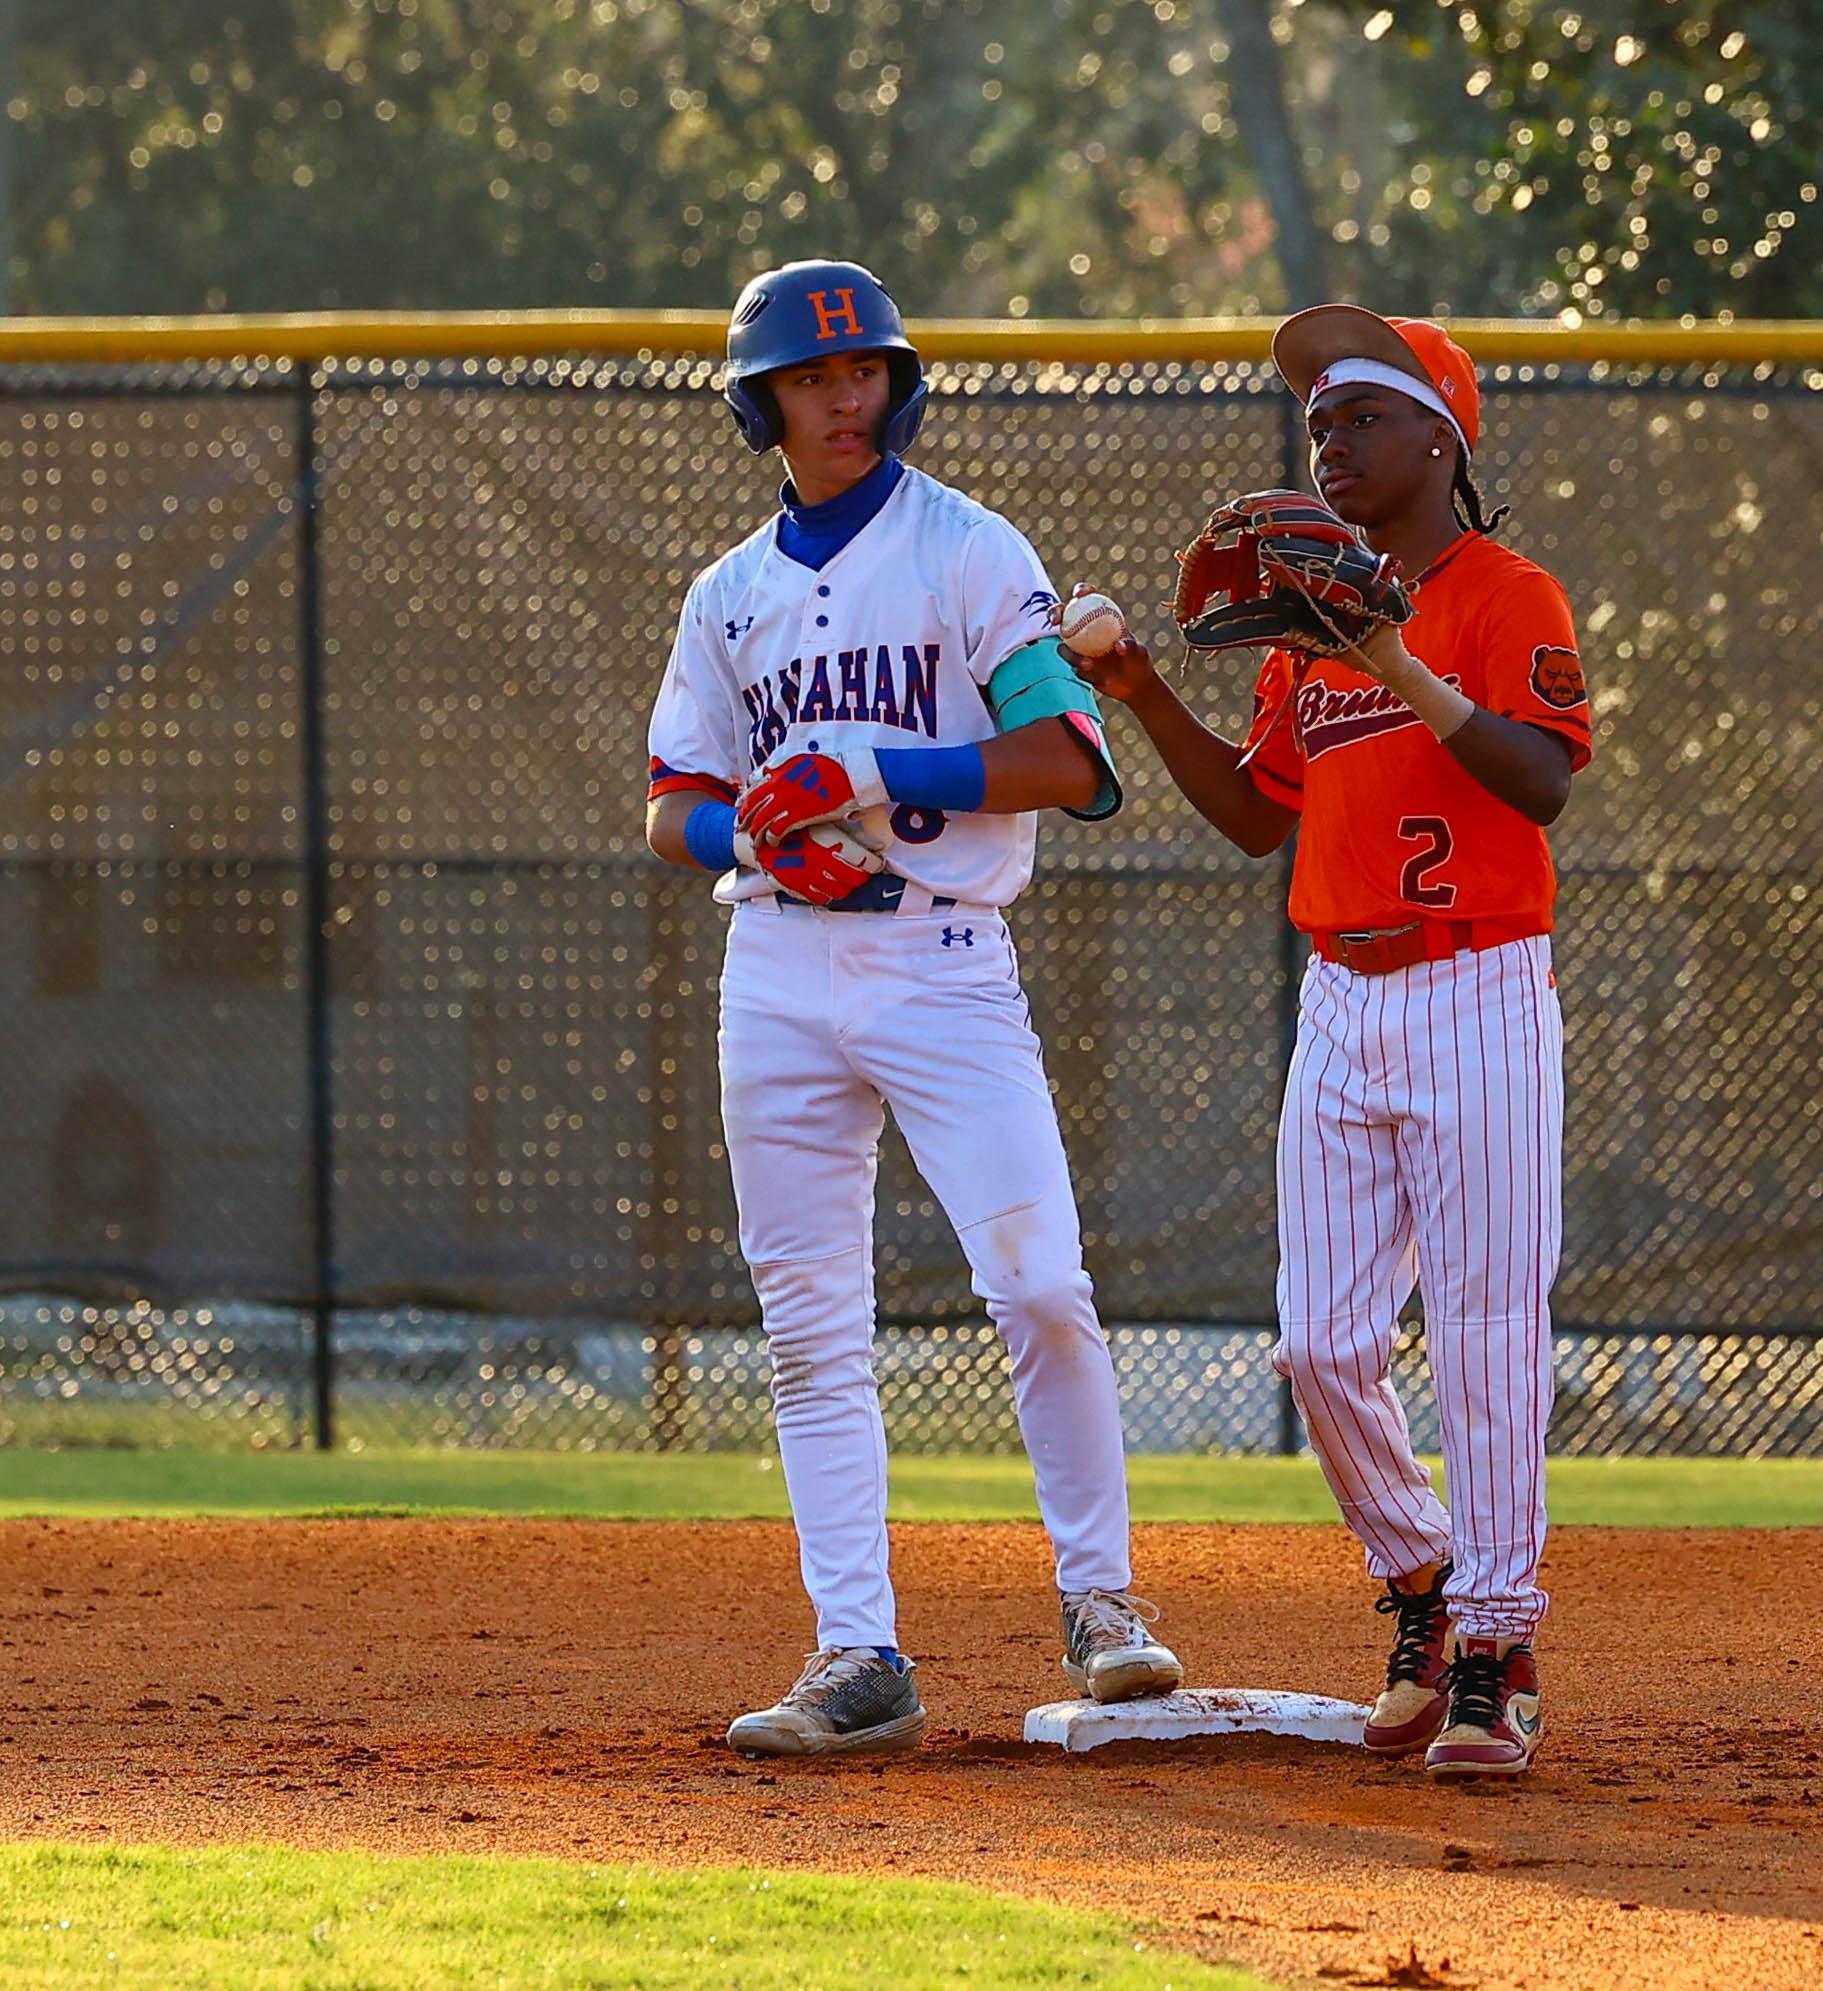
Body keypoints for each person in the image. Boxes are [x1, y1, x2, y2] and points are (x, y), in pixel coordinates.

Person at [644, 259, 1182, 1758]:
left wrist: (875, 768)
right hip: (778, 968)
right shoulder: (727, 596)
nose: (844, 399)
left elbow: (1072, 761)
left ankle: (1102, 1603)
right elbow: (672, 805)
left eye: (865, 371)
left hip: (946, 957)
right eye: (812, 379)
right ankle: (858, 1653)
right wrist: (758, 839)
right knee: (809, 1327)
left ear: (900, 386)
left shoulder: (966, 546)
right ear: (761, 405)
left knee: (1042, 1286)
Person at [1067, 307, 1590, 1782]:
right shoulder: (1307, 632)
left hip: (1479, 989)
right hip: (1343, 1001)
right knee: (1319, 1342)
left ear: (1442, 438)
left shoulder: (1507, 594)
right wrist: (1139, 691)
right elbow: (1255, 818)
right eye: (1317, 422)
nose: (1330, 441)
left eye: (1363, 414)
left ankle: (1494, 1646)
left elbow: (1540, 783)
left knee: (1486, 1329)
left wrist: (1392, 657)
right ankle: (1424, 1576)